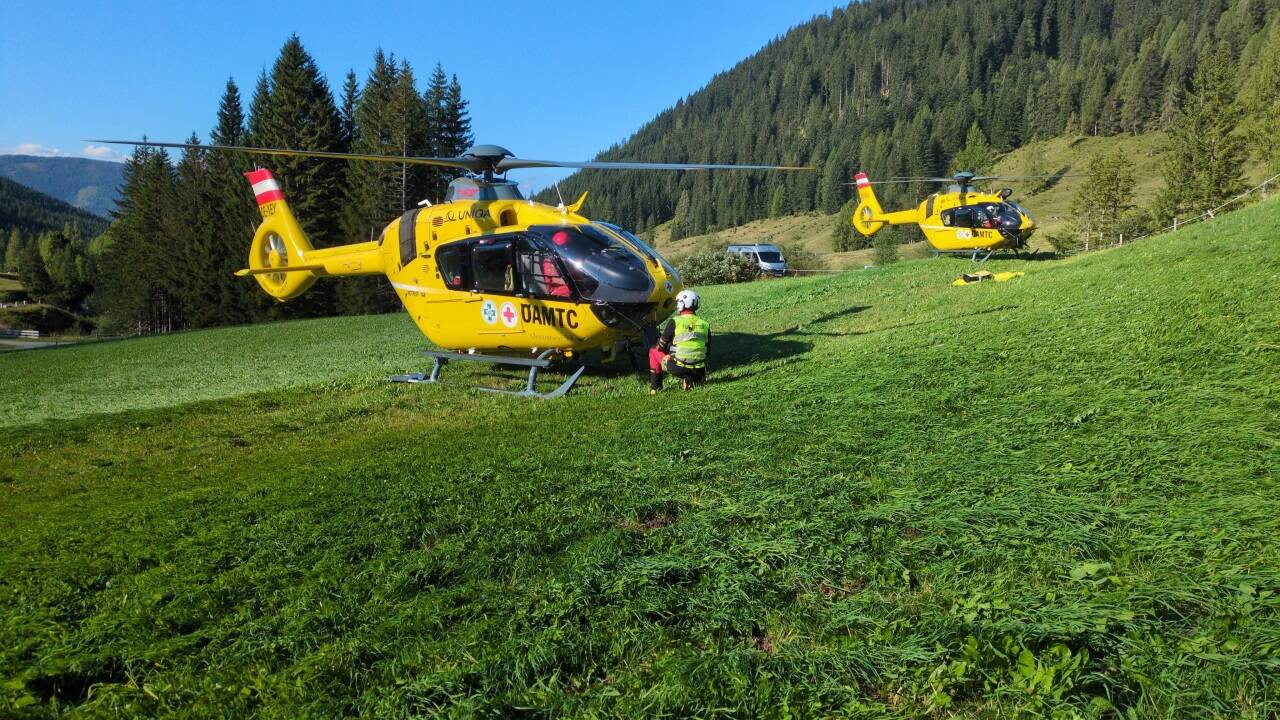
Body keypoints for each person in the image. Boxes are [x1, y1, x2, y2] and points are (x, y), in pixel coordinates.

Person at [649, 289, 711, 394]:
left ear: (682, 304)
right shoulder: (705, 324)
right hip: (700, 369)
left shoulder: (675, 321)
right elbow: (707, 351)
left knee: (653, 351)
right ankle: (695, 379)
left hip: (679, 368)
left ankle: (655, 388)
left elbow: (661, 346)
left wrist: (668, 352)